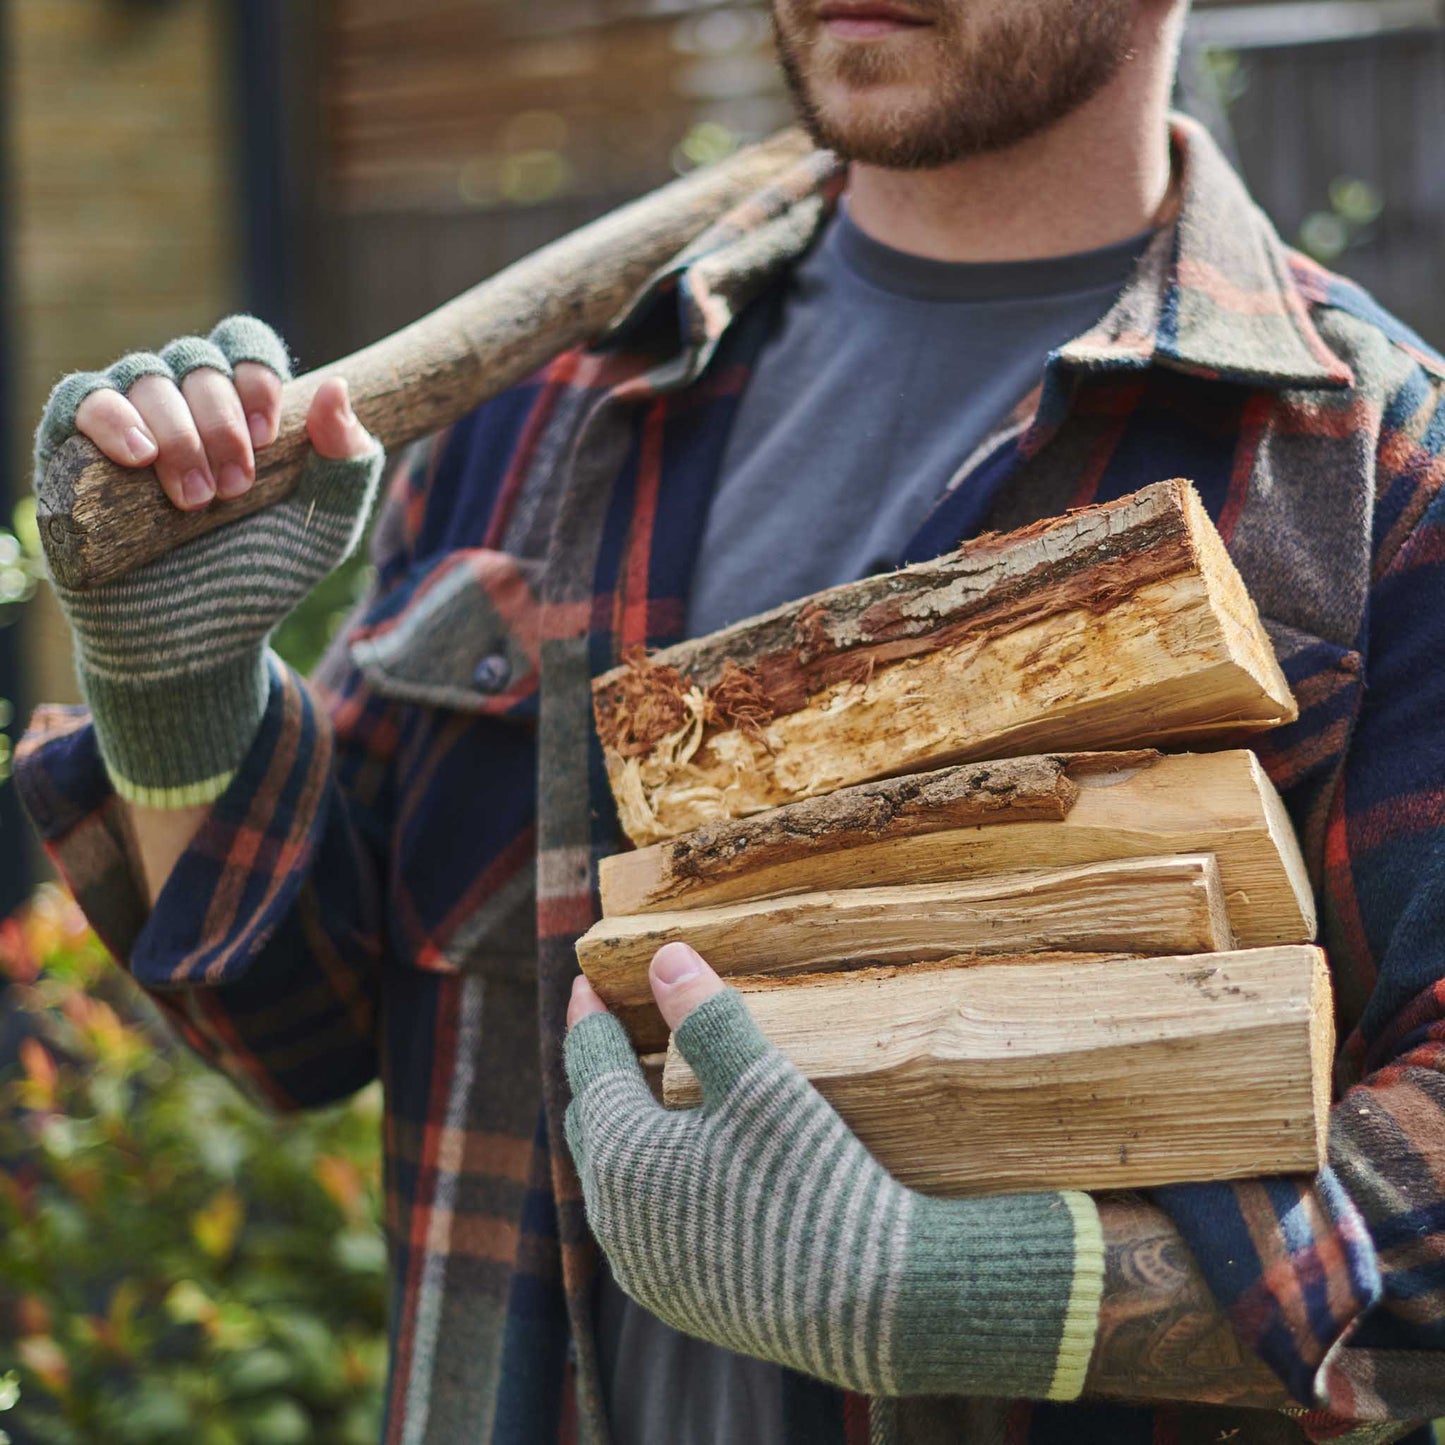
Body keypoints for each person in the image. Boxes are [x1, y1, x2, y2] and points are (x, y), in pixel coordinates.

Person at [17, 0, 1445, 1440]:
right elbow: (294, 1023)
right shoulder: (560, 403)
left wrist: (983, 1289)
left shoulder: (1370, 481)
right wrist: (176, 683)